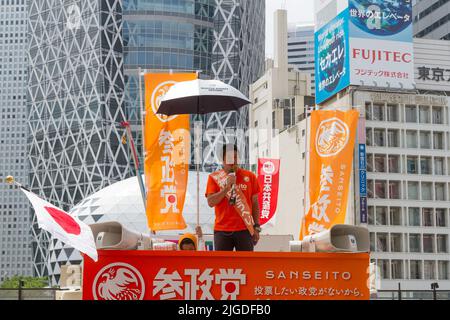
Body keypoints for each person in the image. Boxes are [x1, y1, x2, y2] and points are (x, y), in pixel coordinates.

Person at [205, 143, 261, 251]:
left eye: (236, 157)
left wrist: (257, 227)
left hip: (245, 229)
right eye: (230, 157)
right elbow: (210, 202)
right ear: (223, 160)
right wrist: (226, 188)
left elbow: (255, 204)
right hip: (222, 230)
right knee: (222, 265)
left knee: (245, 265)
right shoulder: (214, 178)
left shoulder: (250, 176)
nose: (233, 161)